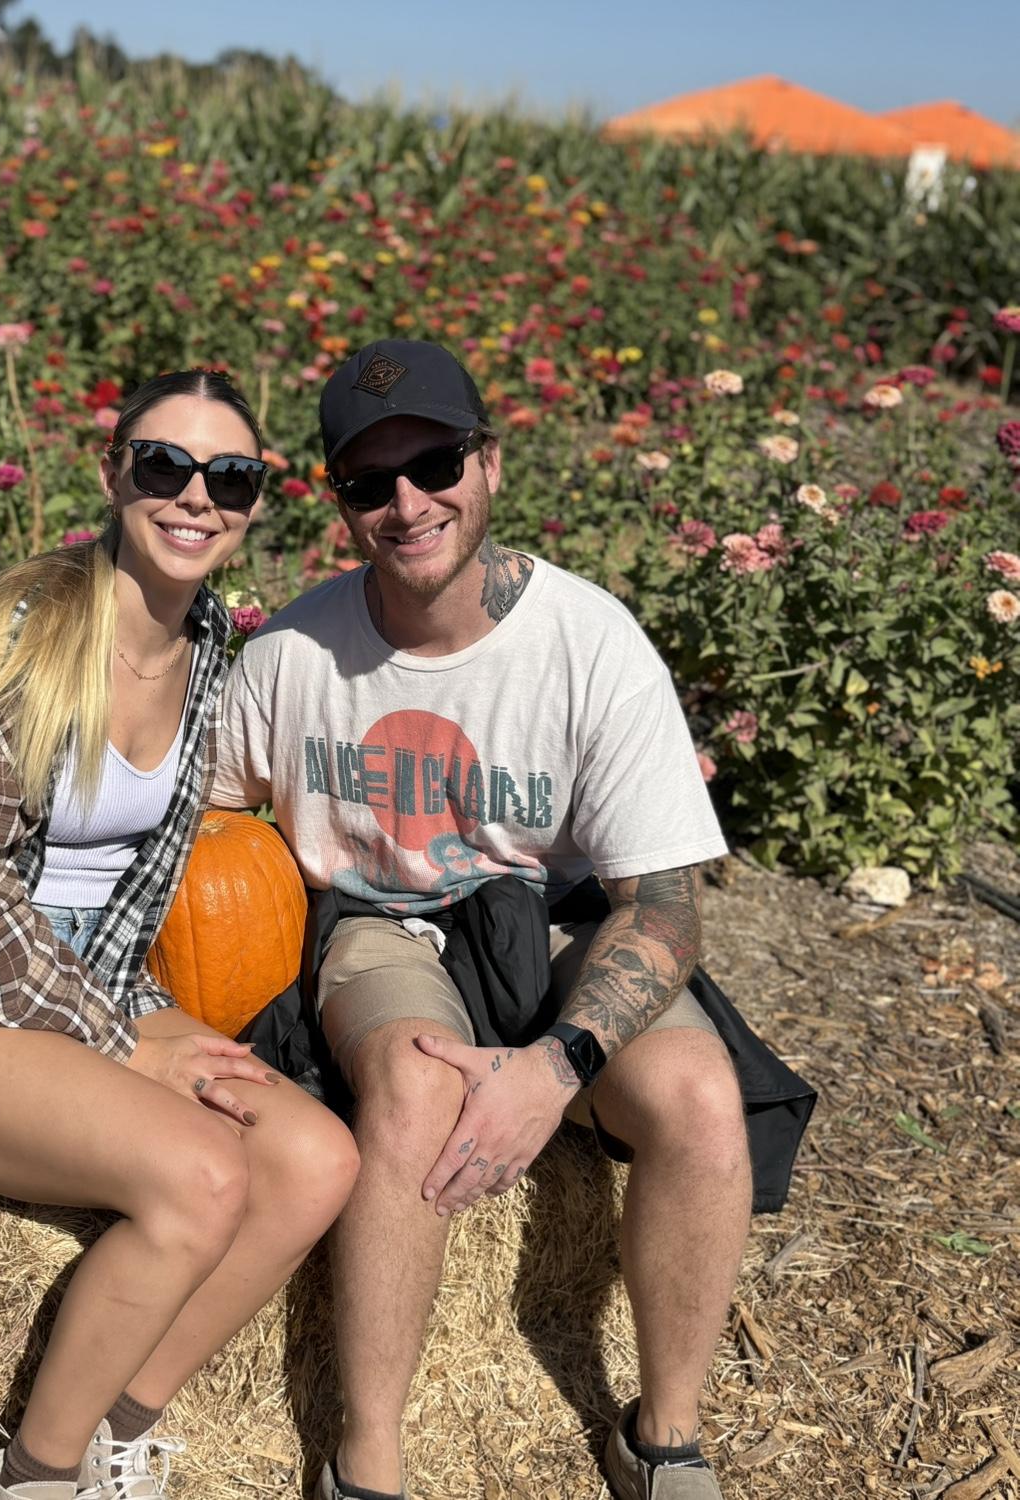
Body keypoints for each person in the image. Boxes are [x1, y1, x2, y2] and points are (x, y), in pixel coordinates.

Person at [0, 369, 361, 1500]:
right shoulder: (20, 635)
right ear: (113, 473)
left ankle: (117, 1430)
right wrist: (113, 1038)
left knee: (315, 1162)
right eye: (165, 464)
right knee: (202, 1177)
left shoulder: (211, 644)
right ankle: (34, 1476)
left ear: (254, 503)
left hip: (95, 971)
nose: (196, 496)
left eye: (231, 477)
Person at [212, 340, 751, 1500]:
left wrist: (556, 1068)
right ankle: (368, 1458)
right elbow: (203, 825)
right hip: (379, 921)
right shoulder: (291, 654)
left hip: (546, 920)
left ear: (489, 463)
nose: (408, 503)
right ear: (341, 504)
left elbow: (664, 906)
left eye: (436, 464)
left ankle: (664, 1440)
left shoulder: (588, 643)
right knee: (415, 1088)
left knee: (702, 1101)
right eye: (370, 481)